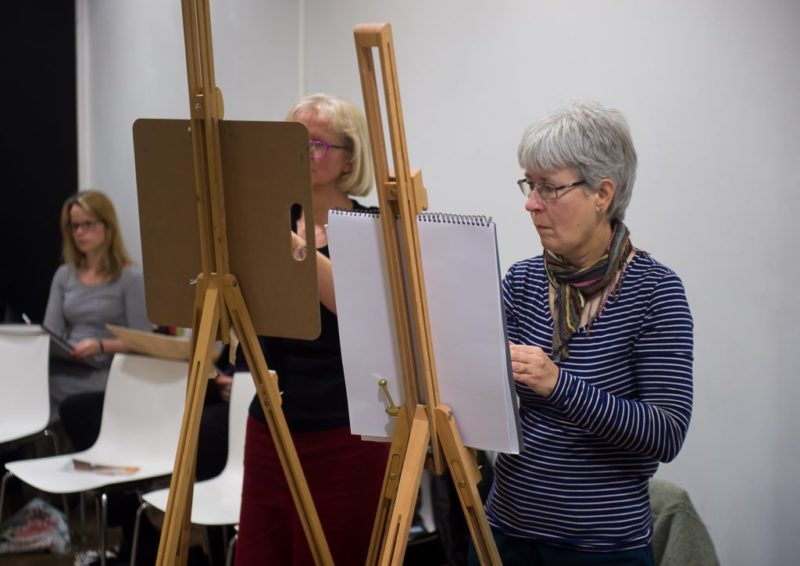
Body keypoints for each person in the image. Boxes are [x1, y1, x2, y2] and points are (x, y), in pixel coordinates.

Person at [476, 102, 694, 565]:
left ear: (603, 194)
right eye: (529, 185)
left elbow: (666, 433)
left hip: (602, 547)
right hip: (504, 532)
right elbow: (488, 406)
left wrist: (558, 385)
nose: (531, 203)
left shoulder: (655, 291)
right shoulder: (522, 281)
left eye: (550, 188)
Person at [232, 93, 389, 565]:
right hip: (272, 422)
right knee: (261, 554)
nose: (301, 154)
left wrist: (287, 241)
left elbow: (356, 307)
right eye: (292, 142)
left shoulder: (371, 227)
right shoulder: (270, 221)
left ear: (349, 160)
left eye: (315, 144)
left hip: (345, 430)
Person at [43, 190, 151, 423]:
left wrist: (101, 346)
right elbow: (50, 332)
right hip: (67, 363)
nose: (79, 232)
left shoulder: (130, 278)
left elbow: (143, 340)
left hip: (103, 369)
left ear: (107, 226)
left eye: (87, 224)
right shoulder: (64, 275)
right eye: (74, 226)